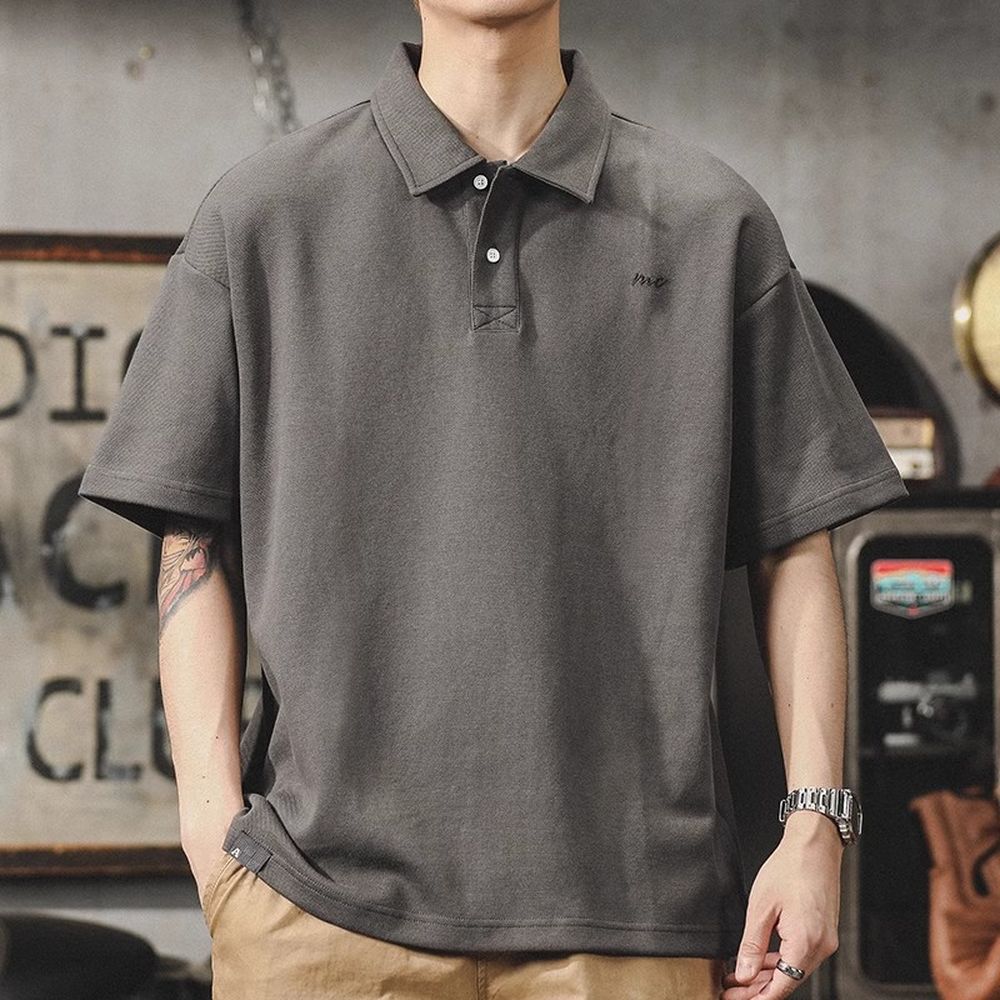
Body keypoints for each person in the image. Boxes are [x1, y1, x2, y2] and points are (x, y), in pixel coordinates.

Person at [78, 0, 909, 997]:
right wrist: (211, 833)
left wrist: (815, 828)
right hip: (316, 915)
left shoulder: (709, 219)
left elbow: (796, 552)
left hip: (633, 918)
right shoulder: (263, 214)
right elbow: (191, 539)